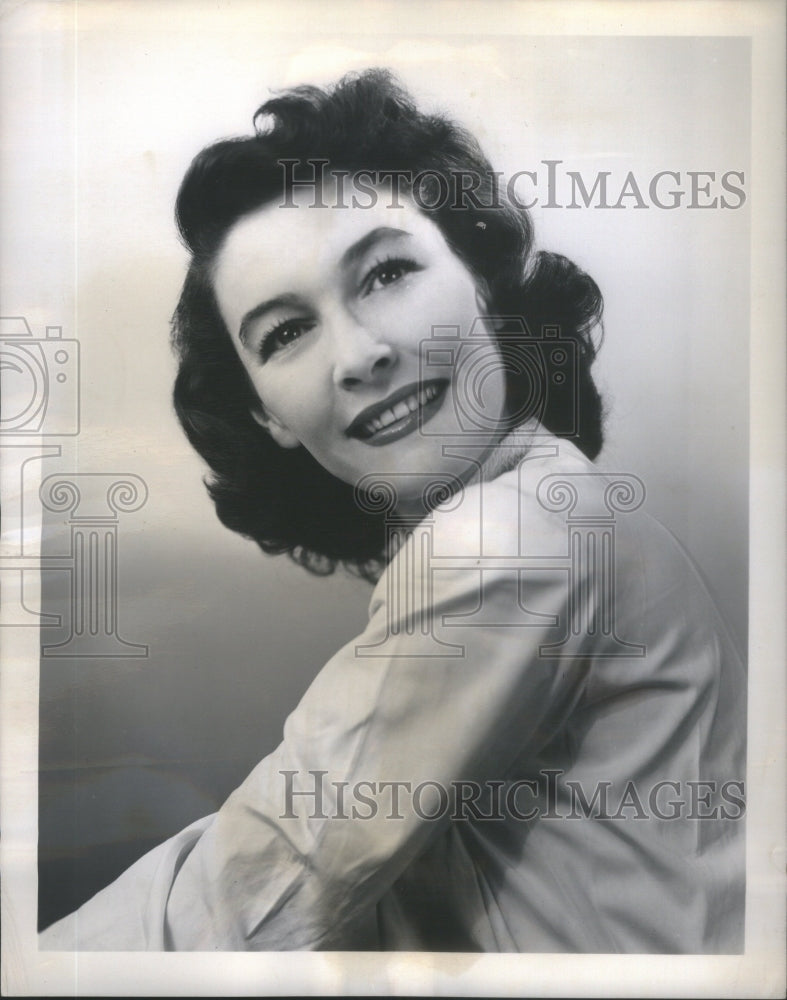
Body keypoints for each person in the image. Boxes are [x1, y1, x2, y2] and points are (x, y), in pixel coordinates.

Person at [40, 69, 745, 952]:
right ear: (268, 415)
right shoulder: (537, 505)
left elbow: (278, 874)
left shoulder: (511, 535)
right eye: (286, 332)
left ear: (483, 285)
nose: (360, 354)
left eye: (386, 273)